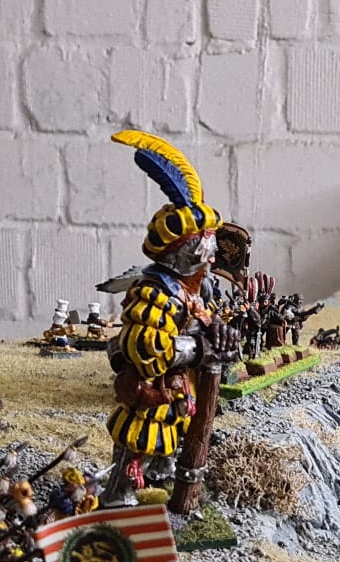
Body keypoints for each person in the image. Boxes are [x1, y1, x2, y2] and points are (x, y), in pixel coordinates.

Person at [97, 130, 242, 505]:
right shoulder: (156, 293)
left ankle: (161, 478)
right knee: (139, 439)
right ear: (186, 251)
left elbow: (205, 322)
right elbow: (146, 347)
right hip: (151, 383)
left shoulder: (196, 288)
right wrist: (199, 348)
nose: (212, 255)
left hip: (178, 386)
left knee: (174, 433)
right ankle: (120, 493)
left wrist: (219, 334)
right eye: (205, 246)